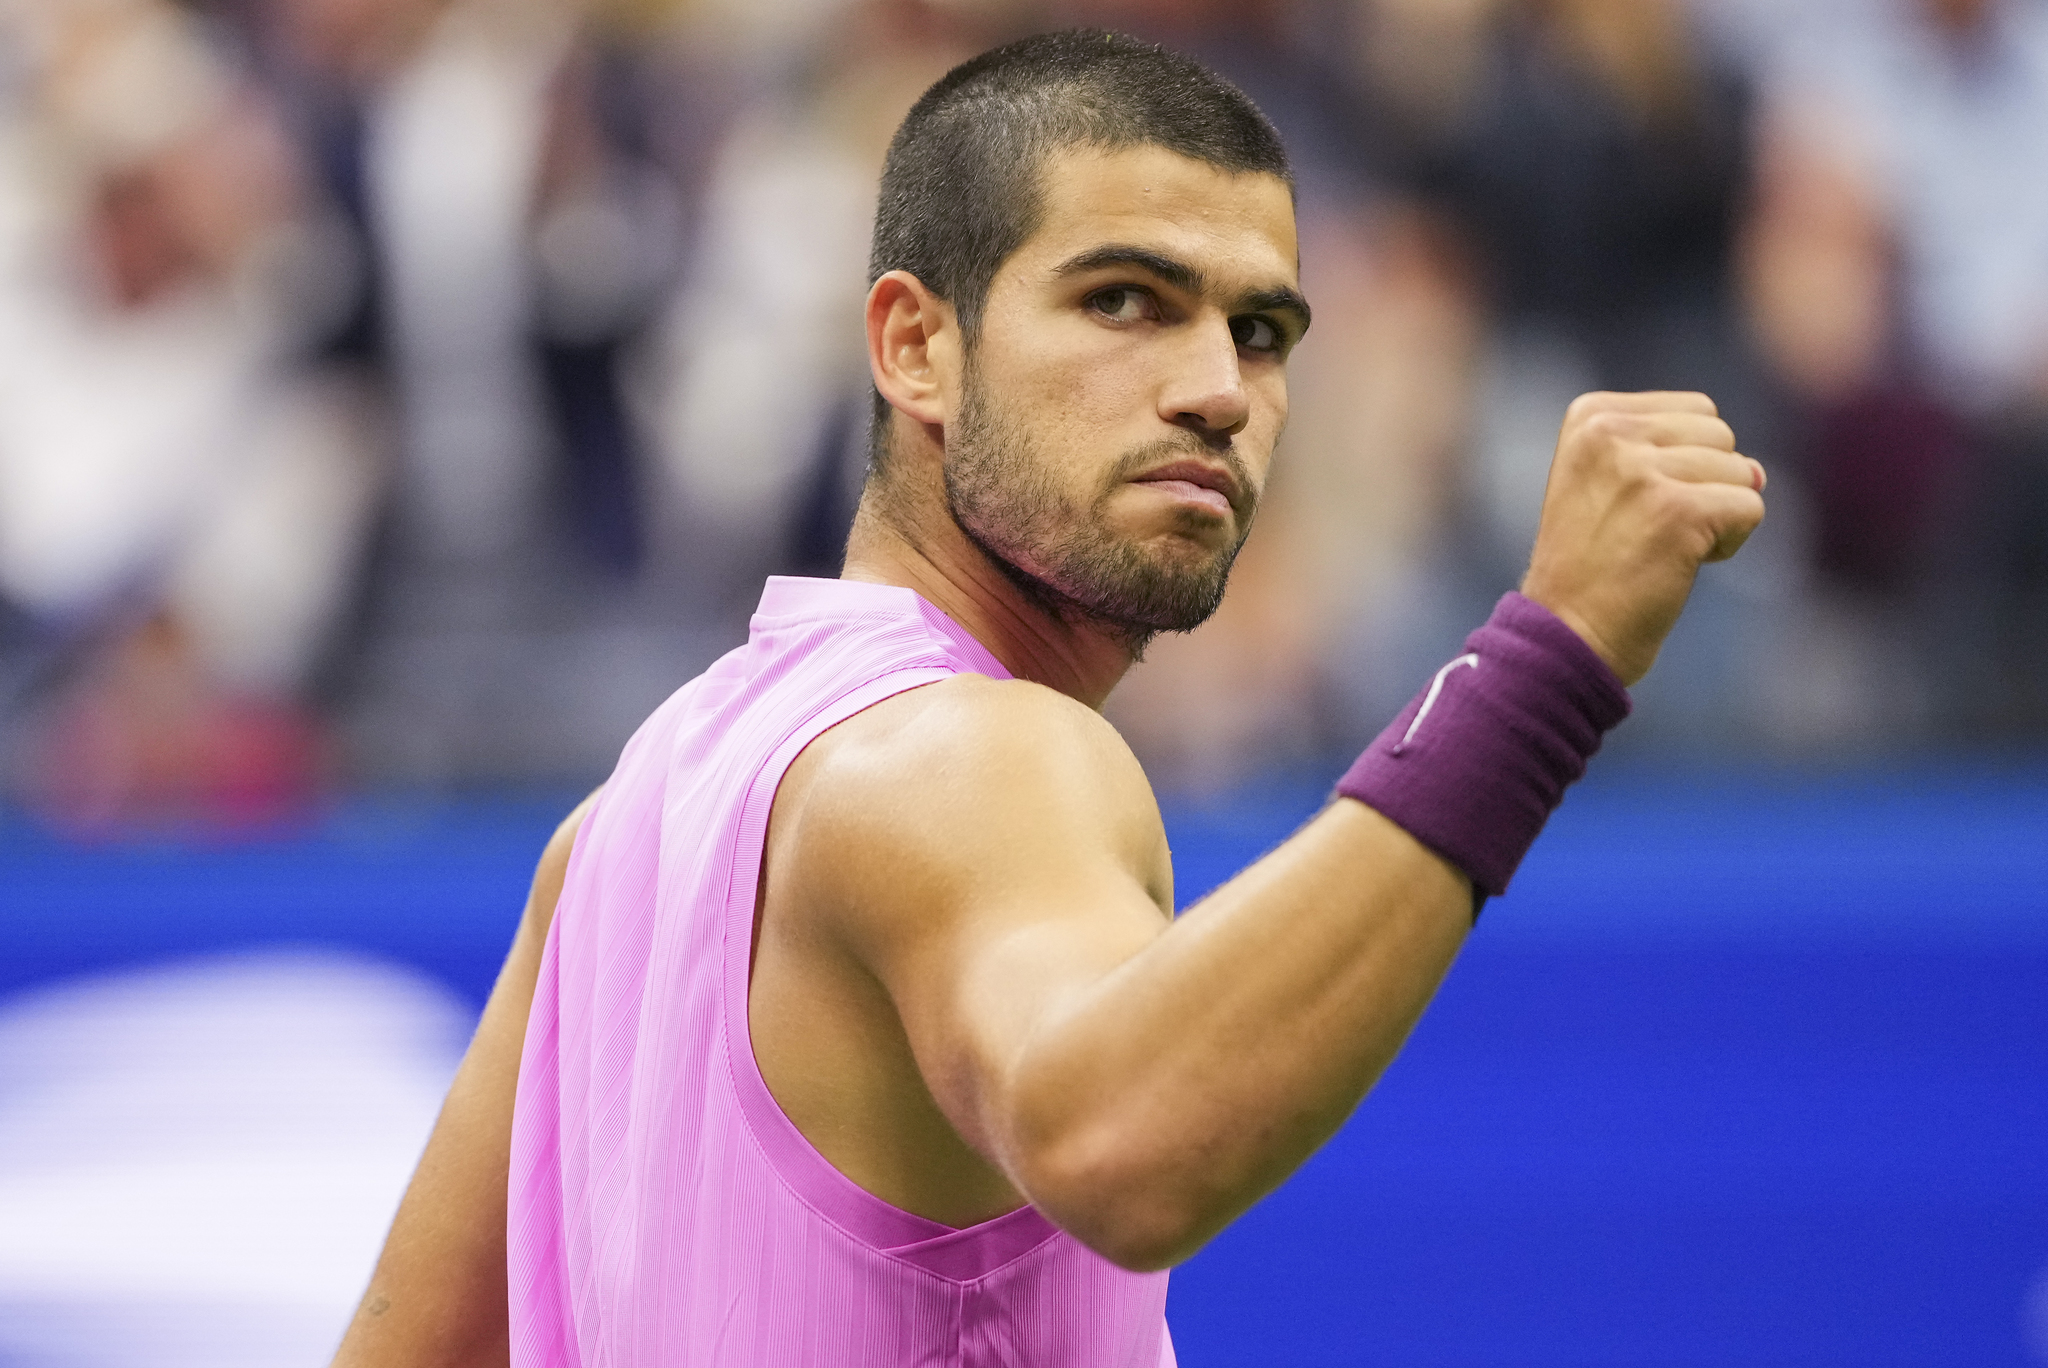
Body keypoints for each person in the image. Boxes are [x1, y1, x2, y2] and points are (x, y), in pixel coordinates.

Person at [331, 30, 1765, 1368]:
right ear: (915, 348)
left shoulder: (623, 819)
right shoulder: (976, 753)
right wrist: (1549, 659)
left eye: (1262, 333)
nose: (1215, 388)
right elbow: (1120, 1140)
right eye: (1124, 301)